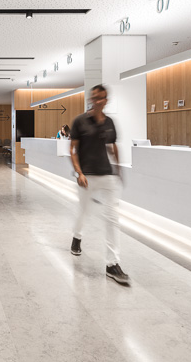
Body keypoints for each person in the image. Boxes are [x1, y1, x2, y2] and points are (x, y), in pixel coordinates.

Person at [69, 84, 128, 285]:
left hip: (107, 175)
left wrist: (118, 169)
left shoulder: (109, 122)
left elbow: (112, 146)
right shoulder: (80, 121)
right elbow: (73, 150)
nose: (97, 101)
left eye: (101, 98)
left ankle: (113, 264)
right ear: (91, 99)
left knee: (112, 218)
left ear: (106, 100)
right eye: (94, 97)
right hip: (87, 176)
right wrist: (79, 172)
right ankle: (77, 237)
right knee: (83, 211)